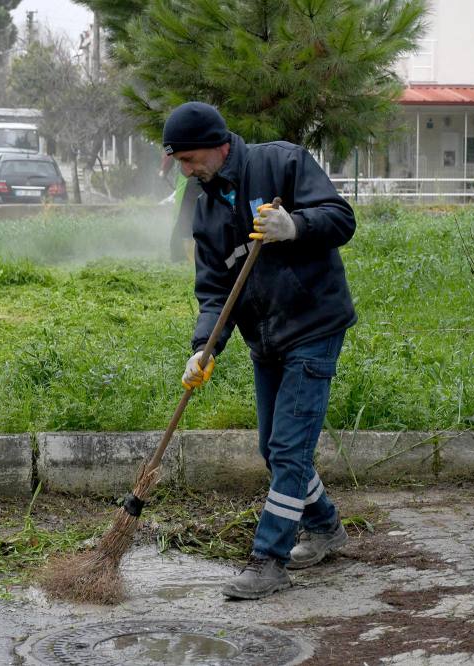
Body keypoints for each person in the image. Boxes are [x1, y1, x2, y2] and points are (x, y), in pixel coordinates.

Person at [164, 101, 357, 600]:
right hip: (264, 336)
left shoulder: (282, 162)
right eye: (180, 162)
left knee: (289, 450)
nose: (186, 171)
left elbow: (341, 219)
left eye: (189, 159)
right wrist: (204, 347)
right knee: (272, 448)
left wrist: (294, 226)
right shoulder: (206, 206)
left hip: (313, 323)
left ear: (217, 145)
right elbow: (214, 289)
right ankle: (326, 527)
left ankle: (268, 559)